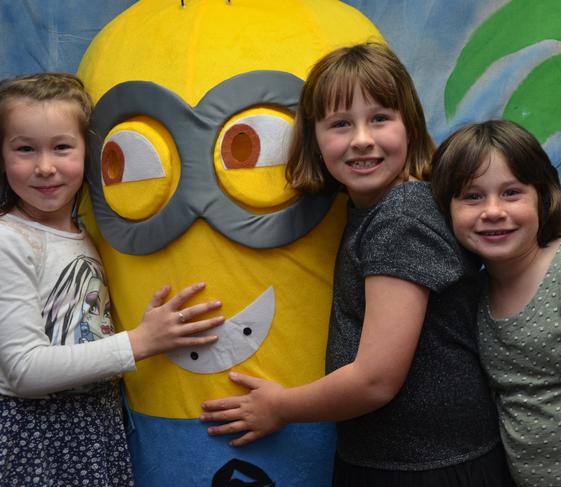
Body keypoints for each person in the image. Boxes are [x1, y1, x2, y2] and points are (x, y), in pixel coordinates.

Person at [200, 43, 514, 486]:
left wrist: (280, 407)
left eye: (380, 118)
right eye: (340, 124)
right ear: (314, 139)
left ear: (410, 126)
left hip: (429, 468)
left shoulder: (403, 214)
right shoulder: (372, 209)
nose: (362, 139)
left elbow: (375, 380)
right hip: (398, 460)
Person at [0, 73, 225, 486]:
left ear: (89, 153)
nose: (45, 167)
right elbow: (25, 369)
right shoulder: (2, 243)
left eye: (62, 147)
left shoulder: (87, 236)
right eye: (25, 149)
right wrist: (141, 341)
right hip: (31, 439)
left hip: (95, 432)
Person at [432, 119, 561, 486]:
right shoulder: (470, 296)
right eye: (472, 196)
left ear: (542, 197)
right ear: (447, 210)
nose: (493, 211)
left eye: (511, 193)